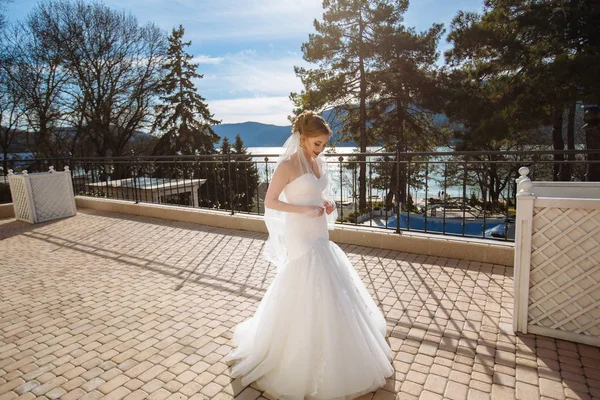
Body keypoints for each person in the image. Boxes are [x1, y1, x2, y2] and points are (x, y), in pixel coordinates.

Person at [226, 111, 393, 400]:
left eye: (324, 144)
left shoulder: (316, 162)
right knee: (306, 279)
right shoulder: (288, 165)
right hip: (300, 232)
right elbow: (271, 201)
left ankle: (334, 344)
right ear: (302, 138)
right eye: (317, 144)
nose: (321, 149)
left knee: (328, 282)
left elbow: (318, 194)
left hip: (318, 228)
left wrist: (326, 203)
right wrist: (303, 209)